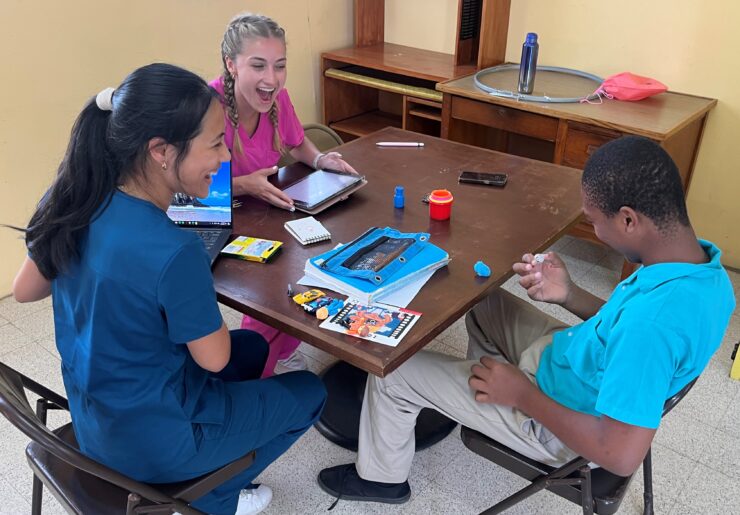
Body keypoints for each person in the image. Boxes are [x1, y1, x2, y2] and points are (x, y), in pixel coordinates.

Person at [316, 136, 736, 505]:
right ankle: (478, 398)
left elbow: (620, 454)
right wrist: (569, 294)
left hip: (557, 421)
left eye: (594, 221)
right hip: (574, 360)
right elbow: (622, 328)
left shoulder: (654, 327)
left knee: (392, 376)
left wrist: (520, 395)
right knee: (480, 298)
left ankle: (382, 481)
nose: (596, 229)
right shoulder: (701, 270)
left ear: (629, 219)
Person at [11, 63, 326, 515]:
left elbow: (24, 291)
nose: (224, 159)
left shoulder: (72, 198)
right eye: (215, 144)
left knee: (256, 346)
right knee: (309, 392)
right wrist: (189, 290)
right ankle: (212, 498)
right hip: (152, 445)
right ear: (160, 151)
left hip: (96, 415)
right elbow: (213, 357)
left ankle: (218, 471)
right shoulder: (175, 249)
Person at [211, 13, 356, 377]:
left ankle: (284, 351)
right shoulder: (206, 107)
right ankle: (254, 374)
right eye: (258, 65)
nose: (271, 79)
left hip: (270, 213)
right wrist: (243, 184)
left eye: (280, 66)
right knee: (269, 294)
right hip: (218, 220)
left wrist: (323, 158)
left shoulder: (277, 100)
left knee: (305, 273)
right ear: (232, 64)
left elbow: (297, 142)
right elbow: (184, 186)